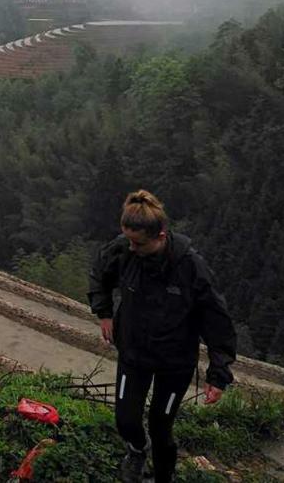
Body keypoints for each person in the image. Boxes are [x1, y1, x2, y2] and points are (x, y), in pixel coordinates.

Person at [87, 190, 237, 483]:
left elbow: (217, 320)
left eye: (138, 243)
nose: (132, 248)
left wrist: (218, 374)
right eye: (128, 239)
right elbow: (99, 273)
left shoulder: (190, 267)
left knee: (161, 424)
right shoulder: (124, 250)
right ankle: (137, 450)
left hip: (175, 362)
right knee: (126, 420)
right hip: (133, 352)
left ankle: (163, 476)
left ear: (160, 235)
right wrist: (104, 312)